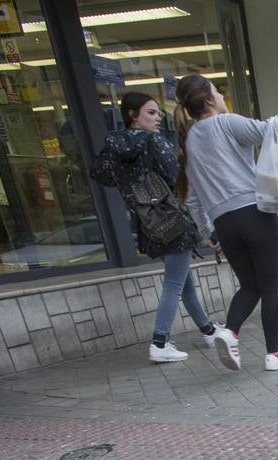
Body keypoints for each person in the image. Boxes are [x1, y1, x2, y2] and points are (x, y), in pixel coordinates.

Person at [175, 73, 278, 372]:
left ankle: (229, 332)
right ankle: (273, 354)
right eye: (217, 91)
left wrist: (208, 231)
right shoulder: (226, 122)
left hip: (224, 224)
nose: (222, 96)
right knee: (269, 285)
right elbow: (271, 131)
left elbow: (193, 199)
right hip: (254, 213)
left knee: (249, 285)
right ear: (209, 100)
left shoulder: (190, 141)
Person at [91, 91, 218, 363]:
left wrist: (134, 185)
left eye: (158, 112)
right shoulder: (154, 143)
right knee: (174, 283)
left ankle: (208, 331)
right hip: (174, 220)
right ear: (132, 115)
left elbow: (100, 173)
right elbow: (180, 179)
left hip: (149, 225)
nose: (158, 117)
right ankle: (160, 342)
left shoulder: (113, 146)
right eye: (151, 112)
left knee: (184, 283)